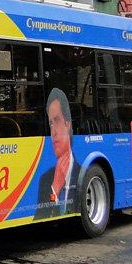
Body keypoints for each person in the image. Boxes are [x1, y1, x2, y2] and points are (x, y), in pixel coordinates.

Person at [35, 88, 83, 219]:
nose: (53, 131)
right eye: (50, 123)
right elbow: (40, 218)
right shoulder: (45, 180)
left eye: (56, 120)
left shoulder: (82, 173)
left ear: (68, 124)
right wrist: (54, 190)